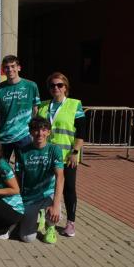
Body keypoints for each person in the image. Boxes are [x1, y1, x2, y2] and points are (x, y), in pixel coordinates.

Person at [37, 72, 85, 237]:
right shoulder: (43, 106)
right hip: (46, 155)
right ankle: (43, 215)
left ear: (66, 87)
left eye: (59, 85)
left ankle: (70, 223)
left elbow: (81, 132)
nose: (56, 88)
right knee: (45, 187)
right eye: (52, 85)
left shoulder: (74, 104)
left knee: (69, 189)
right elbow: (36, 130)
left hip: (67, 156)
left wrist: (75, 152)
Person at [17, 117, 64, 244]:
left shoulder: (55, 150)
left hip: (47, 194)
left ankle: (51, 226)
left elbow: (60, 177)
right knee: (27, 238)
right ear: (31, 132)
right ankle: (38, 216)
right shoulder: (22, 151)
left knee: (56, 210)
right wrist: (17, 200)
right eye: (36, 130)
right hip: (30, 196)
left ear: (49, 132)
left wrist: (55, 204)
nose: (40, 133)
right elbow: (17, 177)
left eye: (44, 130)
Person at [0, 55, 40, 162]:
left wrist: (34, 131)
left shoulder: (31, 86)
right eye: (7, 67)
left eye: (13, 66)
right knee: (2, 168)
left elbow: (35, 110)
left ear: (19, 67)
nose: (10, 69)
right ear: (3, 70)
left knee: (24, 168)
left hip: (24, 136)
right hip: (4, 136)